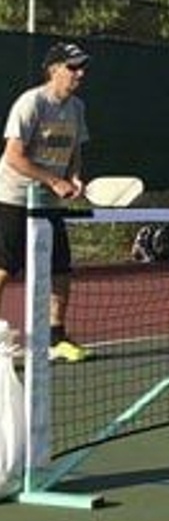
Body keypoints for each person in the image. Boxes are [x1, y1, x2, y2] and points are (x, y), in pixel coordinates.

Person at [0, 42, 93, 363]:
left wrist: (75, 176)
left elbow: (75, 152)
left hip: (48, 201)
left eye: (82, 68)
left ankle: (56, 336)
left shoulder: (77, 108)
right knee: (4, 269)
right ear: (54, 70)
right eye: (73, 67)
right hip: (13, 197)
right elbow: (13, 156)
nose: (80, 73)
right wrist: (54, 180)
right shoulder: (32, 103)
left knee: (61, 271)